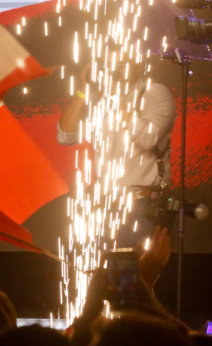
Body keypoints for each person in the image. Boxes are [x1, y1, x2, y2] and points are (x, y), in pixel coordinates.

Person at [57, 54, 175, 245]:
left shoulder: (155, 93)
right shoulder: (98, 99)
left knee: (133, 271)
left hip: (141, 204)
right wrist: (83, 91)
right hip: (103, 204)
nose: (114, 70)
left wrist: (115, 98)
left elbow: (148, 139)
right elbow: (65, 136)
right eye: (108, 64)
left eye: (121, 64)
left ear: (139, 66)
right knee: (103, 271)